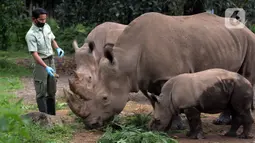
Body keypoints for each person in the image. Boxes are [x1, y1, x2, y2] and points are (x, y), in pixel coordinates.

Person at [25, 8, 64, 115]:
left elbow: (52, 39)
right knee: (41, 91)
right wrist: (45, 66)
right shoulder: (30, 34)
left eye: (45, 19)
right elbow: (34, 54)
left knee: (52, 90)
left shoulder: (47, 27)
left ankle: (52, 116)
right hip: (40, 63)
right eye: (41, 20)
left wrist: (57, 48)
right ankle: (43, 117)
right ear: (34, 19)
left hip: (51, 60)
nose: (43, 22)